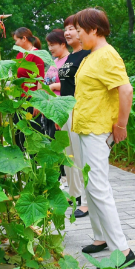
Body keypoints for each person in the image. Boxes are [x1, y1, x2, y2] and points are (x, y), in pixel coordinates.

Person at [72, 8, 134, 266]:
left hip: (98, 130)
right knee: (90, 186)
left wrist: (121, 125)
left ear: (94, 30)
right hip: (86, 127)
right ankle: (101, 238)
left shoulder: (107, 55)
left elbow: (125, 89)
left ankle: (123, 251)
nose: (75, 34)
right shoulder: (91, 55)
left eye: (79, 30)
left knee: (98, 187)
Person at [58, 17, 90, 218]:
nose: (68, 33)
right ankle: (73, 194)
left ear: (81, 31)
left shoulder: (87, 55)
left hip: (78, 109)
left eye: (72, 29)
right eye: (66, 29)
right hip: (64, 109)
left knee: (80, 156)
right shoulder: (71, 57)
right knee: (67, 155)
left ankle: (86, 202)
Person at [12, 27, 46, 150]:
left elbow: (40, 79)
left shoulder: (37, 54)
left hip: (32, 98)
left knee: (33, 132)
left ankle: (35, 164)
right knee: (19, 132)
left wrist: (38, 102)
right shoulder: (20, 55)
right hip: (20, 98)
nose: (15, 43)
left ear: (24, 38)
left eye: (16, 40)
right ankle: (23, 163)